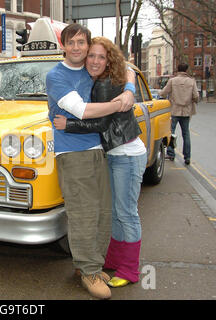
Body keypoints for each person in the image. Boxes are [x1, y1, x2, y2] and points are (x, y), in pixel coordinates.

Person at [46, 23, 135, 299]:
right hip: (72, 154)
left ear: (87, 46)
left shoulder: (88, 69)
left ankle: (87, 263)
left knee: (101, 211)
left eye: (81, 43)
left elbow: (125, 65)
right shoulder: (56, 75)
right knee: (83, 214)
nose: (77, 48)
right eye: (71, 42)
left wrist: (130, 89)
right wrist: (121, 102)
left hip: (97, 149)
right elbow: (81, 110)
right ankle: (89, 270)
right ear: (63, 45)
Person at [159, 63, 199, 165]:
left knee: (171, 132)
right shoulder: (192, 81)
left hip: (174, 110)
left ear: (177, 70)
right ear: (186, 70)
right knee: (186, 134)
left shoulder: (173, 81)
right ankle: (187, 157)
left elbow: (163, 92)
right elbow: (196, 96)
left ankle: (171, 153)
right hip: (186, 111)